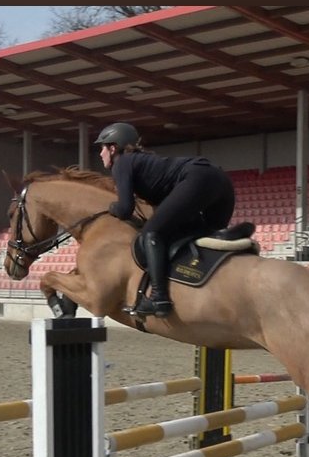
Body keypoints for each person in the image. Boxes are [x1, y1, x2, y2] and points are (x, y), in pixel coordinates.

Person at [96, 122, 236, 318]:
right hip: (221, 181)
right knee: (203, 234)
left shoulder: (123, 162)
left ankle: (159, 297)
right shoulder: (146, 162)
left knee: (151, 233)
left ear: (113, 147)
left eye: (102, 148)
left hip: (197, 178)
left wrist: (111, 207)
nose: (100, 153)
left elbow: (125, 208)